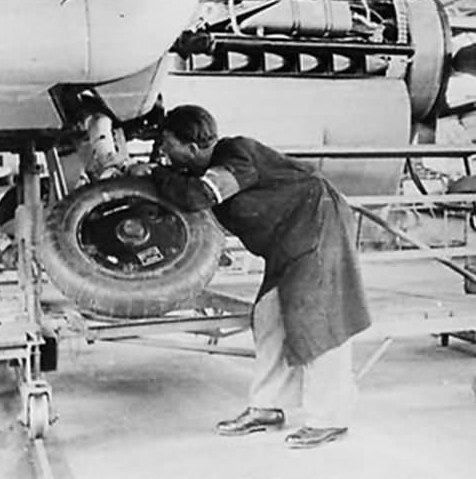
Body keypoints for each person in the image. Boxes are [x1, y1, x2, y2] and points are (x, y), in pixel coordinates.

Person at [128, 104, 371, 449]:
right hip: (286, 242)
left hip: (318, 226)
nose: (164, 151)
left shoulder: (235, 155)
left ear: (193, 148)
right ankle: (267, 407)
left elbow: (200, 197)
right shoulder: (201, 171)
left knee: (318, 319)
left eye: (168, 144)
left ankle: (330, 418)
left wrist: (153, 173)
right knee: (269, 316)